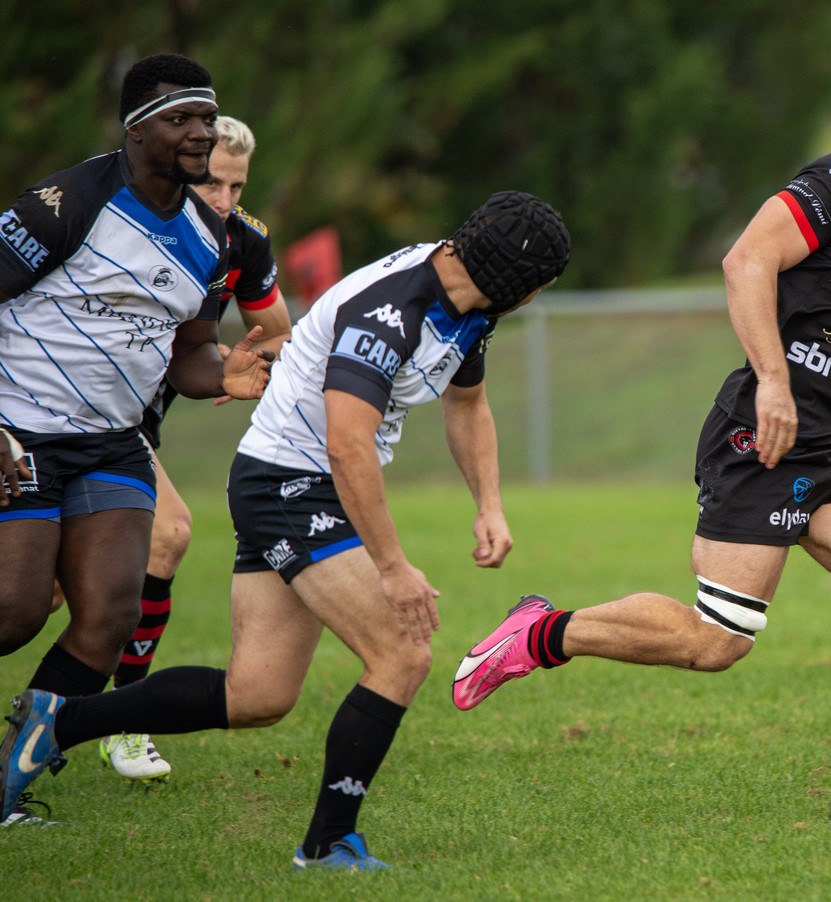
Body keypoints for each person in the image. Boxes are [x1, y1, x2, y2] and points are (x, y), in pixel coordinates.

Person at [449, 53, 831, 820]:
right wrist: (774, 381)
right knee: (717, 642)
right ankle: (542, 631)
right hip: (762, 431)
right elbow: (746, 259)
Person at [2, 191, 570, 869]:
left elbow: (468, 404)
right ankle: (329, 845)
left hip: (298, 484)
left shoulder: (471, 307)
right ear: (512, 277)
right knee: (401, 652)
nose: (537, 298)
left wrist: (490, 504)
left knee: (258, 695)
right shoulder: (388, 312)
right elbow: (347, 446)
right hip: (289, 485)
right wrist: (392, 568)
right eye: (539, 285)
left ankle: (59, 720)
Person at [0, 52, 273, 823]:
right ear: (135, 129)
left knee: (111, 616)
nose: (200, 134)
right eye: (180, 119)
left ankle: (8, 782)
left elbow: (187, 351)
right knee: (14, 613)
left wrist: (227, 374)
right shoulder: (67, 203)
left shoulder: (208, 238)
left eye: (206, 119)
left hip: (114, 443)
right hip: (20, 432)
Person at [93, 115, 294, 782]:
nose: (224, 200)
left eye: (236, 186)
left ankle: (114, 718)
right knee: (144, 546)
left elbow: (276, 332)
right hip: (76, 410)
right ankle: (110, 717)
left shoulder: (242, 241)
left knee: (144, 549)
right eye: (213, 182)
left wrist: (235, 366)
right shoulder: (125, 218)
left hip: (134, 423)